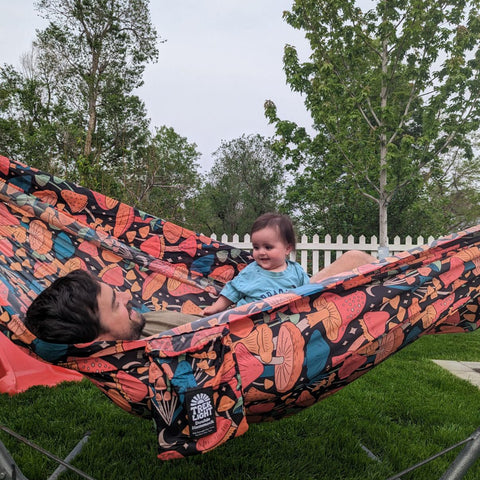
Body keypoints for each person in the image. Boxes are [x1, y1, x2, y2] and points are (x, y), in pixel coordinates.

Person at [24, 241, 376, 344]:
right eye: (116, 305)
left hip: (261, 315)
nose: (128, 298)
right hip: (279, 329)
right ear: (95, 338)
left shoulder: (134, 330)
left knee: (357, 263)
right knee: (358, 260)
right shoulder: (147, 350)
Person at [203, 213, 310, 316]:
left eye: (268, 247)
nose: (261, 252)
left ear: (287, 248)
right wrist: (216, 308)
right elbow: (233, 291)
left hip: (284, 322)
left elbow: (311, 291)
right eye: (256, 247)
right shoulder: (250, 272)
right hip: (249, 322)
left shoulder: (296, 271)